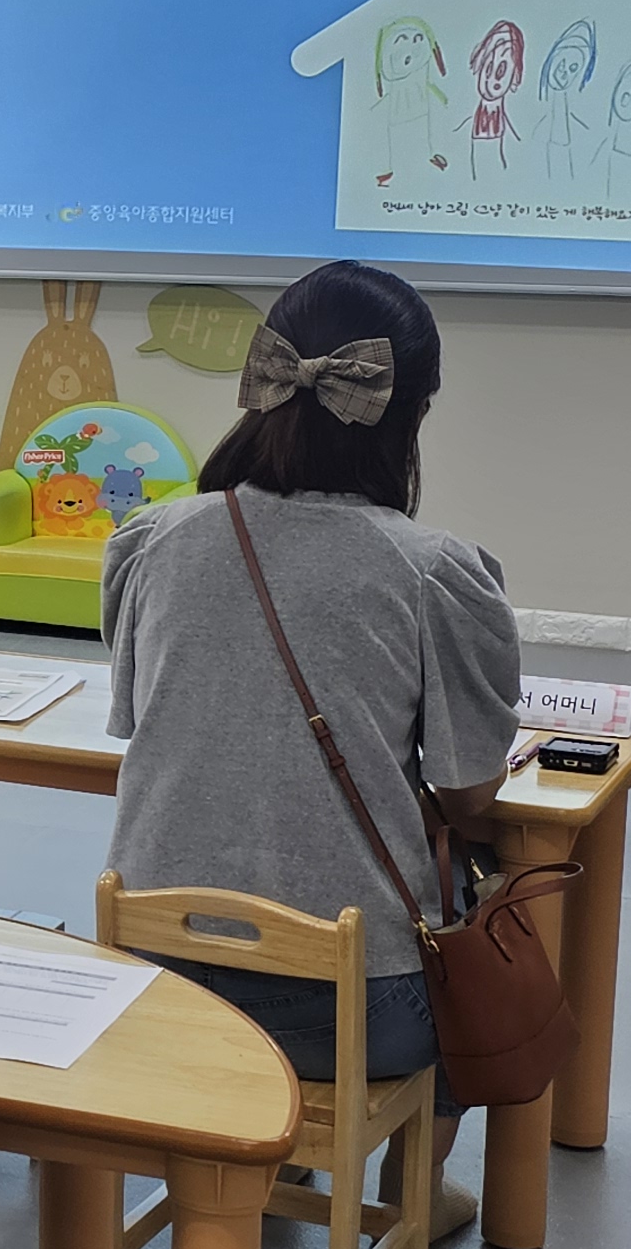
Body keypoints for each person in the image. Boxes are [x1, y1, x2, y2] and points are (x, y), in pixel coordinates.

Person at [99, 263, 518, 1174]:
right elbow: (470, 788)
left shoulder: (153, 541)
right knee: (464, 975)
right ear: (411, 409)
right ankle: (417, 1199)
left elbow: (138, 713)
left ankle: (262, 1151)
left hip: (152, 974)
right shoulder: (433, 570)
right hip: (350, 1009)